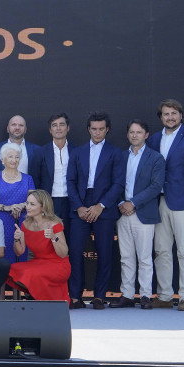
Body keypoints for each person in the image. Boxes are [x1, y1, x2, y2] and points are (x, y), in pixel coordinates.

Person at [146, 99, 184, 311]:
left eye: (173, 113)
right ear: (161, 117)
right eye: (165, 114)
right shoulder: (153, 140)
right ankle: (164, 296)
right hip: (158, 202)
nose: (170, 117)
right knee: (161, 250)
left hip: (183, 203)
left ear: (181, 115)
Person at [67, 111, 125, 310]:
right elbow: (70, 181)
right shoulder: (77, 152)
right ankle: (75, 296)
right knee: (74, 252)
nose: (97, 132)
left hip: (104, 208)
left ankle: (99, 296)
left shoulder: (116, 152)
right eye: (94, 129)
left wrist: (101, 206)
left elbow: (118, 183)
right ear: (88, 129)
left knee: (105, 252)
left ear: (107, 129)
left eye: (101, 129)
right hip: (80, 207)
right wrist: (79, 207)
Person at [110, 120, 166, 309]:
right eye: (132, 132)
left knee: (144, 257)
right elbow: (114, 183)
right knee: (126, 257)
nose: (135, 135)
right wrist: (121, 203)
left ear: (146, 135)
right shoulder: (121, 156)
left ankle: (145, 296)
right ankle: (126, 295)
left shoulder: (156, 158)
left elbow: (156, 186)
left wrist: (133, 203)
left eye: (139, 132)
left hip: (144, 212)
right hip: (122, 213)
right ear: (128, 135)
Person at [6, 190, 70, 304]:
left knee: (30, 273)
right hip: (38, 262)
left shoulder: (54, 224)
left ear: (43, 207)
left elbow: (63, 253)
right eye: (27, 203)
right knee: (10, 269)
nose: (28, 207)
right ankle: (34, 295)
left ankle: (35, 297)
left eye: (32, 204)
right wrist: (16, 239)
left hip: (58, 265)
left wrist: (54, 237)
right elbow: (19, 252)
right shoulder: (25, 224)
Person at [0, 142, 35, 264]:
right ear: (2, 160)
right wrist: (8, 208)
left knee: (21, 256)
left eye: (17, 157)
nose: (14, 160)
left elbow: (33, 200)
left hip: (22, 222)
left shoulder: (28, 179)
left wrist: (21, 206)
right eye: (10, 156)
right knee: (1, 259)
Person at [30, 113, 74, 232]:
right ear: (50, 130)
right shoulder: (40, 152)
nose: (58, 128)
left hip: (71, 202)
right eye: (54, 125)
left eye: (62, 124)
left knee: (69, 238)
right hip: (49, 202)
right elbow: (35, 179)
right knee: (48, 238)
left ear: (68, 128)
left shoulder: (76, 151)